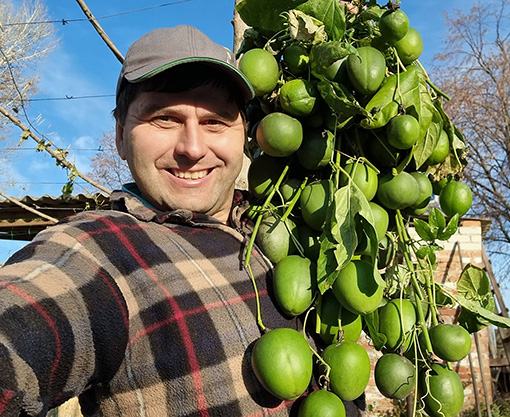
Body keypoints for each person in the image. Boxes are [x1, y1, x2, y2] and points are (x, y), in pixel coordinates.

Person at [0, 25, 364, 416]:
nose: (192, 147)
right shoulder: (95, 249)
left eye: (216, 122)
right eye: (165, 119)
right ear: (121, 136)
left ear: (246, 136)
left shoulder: (280, 226)